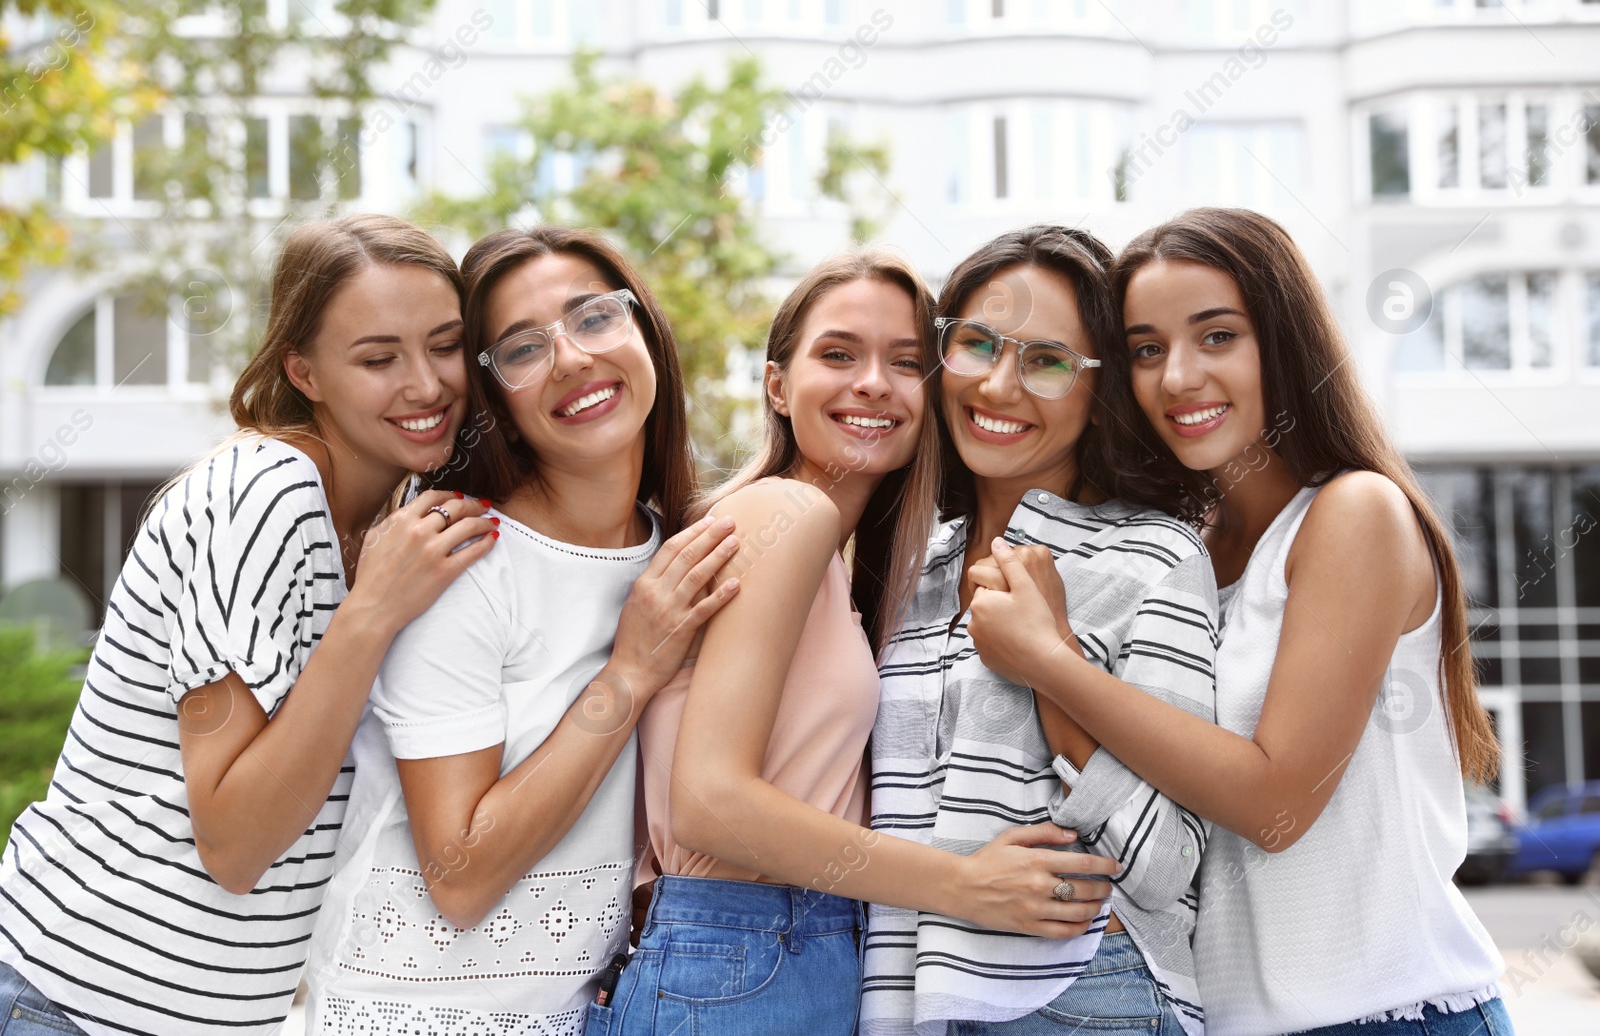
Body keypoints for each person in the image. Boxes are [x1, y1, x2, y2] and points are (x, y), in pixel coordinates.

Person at [966, 207, 1512, 1036]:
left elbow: (1272, 801)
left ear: (1284, 343)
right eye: (1148, 349)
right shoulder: (1182, 552)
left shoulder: (1352, 513)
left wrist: (1052, 660)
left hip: (1392, 1015)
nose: (1177, 376)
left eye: (1217, 336)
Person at [595, 249, 1121, 1036]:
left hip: (778, 953)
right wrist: (966, 884)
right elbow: (708, 801)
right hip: (751, 955)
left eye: (905, 361)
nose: (873, 381)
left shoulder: (855, 571)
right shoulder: (787, 516)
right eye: (838, 354)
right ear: (777, 385)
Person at [0, 215, 498, 1036]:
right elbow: (235, 840)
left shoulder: (384, 523)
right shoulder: (267, 495)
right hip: (67, 999)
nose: (426, 383)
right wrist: (370, 615)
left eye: (445, 345)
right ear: (304, 371)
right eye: (378, 358)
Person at [304, 226, 739, 1036]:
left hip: (583, 1013)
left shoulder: (674, 545)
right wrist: (630, 672)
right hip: (421, 1014)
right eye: (523, 348)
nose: (572, 358)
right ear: (495, 397)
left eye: (595, 317)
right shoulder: (464, 560)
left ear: (646, 328)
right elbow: (460, 875)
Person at [861, 225, 1216, 1036]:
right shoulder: (907, 575)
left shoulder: (1152, 556)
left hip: (1089, 991)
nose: (997, 383)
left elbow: (1166, 862)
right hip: (909, 996)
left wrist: (1050, 664)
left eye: (1047, 360)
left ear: (1101, 394)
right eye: (977, 343)